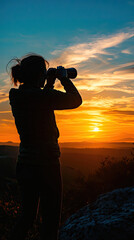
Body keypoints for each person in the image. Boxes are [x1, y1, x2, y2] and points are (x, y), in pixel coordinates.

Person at [8, 53, 82, 240]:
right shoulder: (43, 96)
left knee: (26, 218)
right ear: (38, 74)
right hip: (47, 165)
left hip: (25, 164)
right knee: (50, 222)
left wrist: (49, 83)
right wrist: (64, 79)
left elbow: (41, 103)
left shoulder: (16, 95)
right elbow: (75, 100)